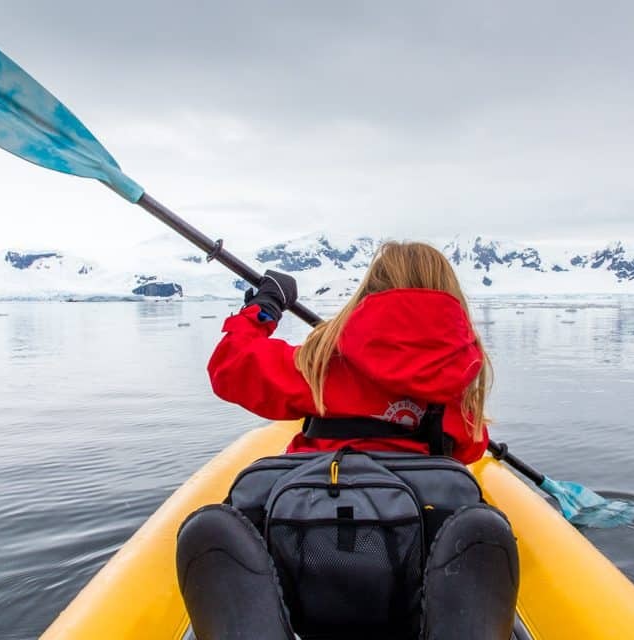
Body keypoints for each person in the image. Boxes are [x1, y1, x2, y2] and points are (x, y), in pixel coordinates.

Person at [177, 242, 519, 640]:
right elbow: (471, 449)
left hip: (306, 550)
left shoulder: (321, 360)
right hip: (413, 563)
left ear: (370, 292)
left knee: (221, 523)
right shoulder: (462, 371)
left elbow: (230, 368)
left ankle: (262, 618)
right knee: (472, 520)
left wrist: (265, 307)